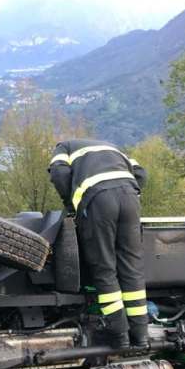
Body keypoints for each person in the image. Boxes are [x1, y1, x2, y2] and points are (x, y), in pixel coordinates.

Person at [49, 138, 148, 349]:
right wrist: (128, 192)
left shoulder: (63, 147)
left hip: (99, 199)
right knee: (132, 268)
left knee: (104, 268)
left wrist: (72, 205)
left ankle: (120, 336)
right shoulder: (112, 146)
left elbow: (59, 173)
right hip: (130, 197)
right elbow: (141, 173)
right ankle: (141, 336)